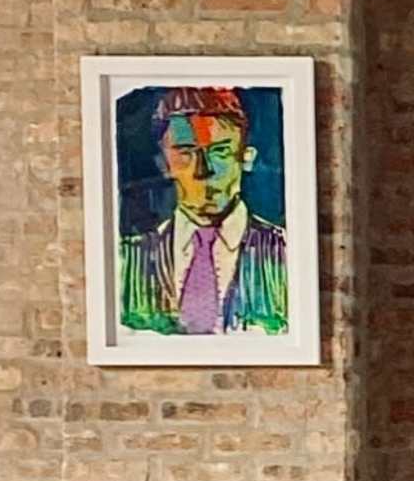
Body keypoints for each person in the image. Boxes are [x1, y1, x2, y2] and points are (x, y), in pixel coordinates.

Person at [118, 81, 291, 338]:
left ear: (247, 156)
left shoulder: (285, 253)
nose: (204, 170)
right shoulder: (129, 260)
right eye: (186, 152)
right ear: (164, 164)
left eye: (220, 151)